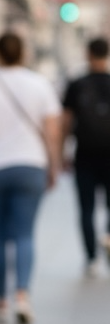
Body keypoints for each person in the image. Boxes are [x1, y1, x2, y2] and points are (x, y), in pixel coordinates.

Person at [0, 32, 61, 324]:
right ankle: (23, 296)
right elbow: (53, 133)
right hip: (31, 166)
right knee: (25, 234)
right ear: (23, 53)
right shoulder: (40, 85)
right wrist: (53, 167)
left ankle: (1, 301)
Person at [62, 37, 110, 277]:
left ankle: (91, 258)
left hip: (85, 154)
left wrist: (60, 152)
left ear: (88, 54)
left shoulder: (77, 83)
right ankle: (109, 239)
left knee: (86, 208)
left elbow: (66, 120)